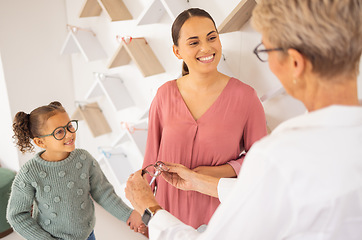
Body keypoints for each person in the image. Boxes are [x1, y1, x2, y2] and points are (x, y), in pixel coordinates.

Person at [126, 0, 362, 239]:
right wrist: (199, 181)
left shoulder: (277, 156)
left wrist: (150, 211)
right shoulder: (320, 148)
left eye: (266, 51)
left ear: (295, 63)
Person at [142, 8, 267, 229]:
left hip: (220, 214)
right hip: (168, 214)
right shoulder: (164, 94)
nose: (206, 48)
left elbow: (260, 160)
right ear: (177, 51)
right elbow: (151, 159)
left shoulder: (245, 97)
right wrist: (141, 209)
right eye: (193, 42)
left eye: (212, 37)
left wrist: (213, 173)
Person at [7, 101, 145, 240]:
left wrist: (127, 214)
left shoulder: (84, 159)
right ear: (40, 142)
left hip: (88, 235)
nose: (69, 134)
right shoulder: (29, 173)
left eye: (69, 126)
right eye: (59, 132)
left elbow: (103, 193)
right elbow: (17, 215)